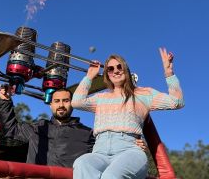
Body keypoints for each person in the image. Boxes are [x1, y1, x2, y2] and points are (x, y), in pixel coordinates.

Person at [71, 48, 185, 179]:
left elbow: (177, 102)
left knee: (111, 176)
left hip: (129, 150)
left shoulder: (143, 94)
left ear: (126, 69)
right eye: (110, 69)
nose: (116, 70)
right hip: (100, 151)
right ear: (107, 74)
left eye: (119, 66)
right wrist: (89, 76)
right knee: (81, 164)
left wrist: (169, 73)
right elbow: (77, 102)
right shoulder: (100, 98)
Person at [0, 86, 148, 168]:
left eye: (66, 100)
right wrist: (4, 101)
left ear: (73, 104)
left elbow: (109, 152)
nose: (61, 105)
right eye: (57, 101)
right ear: (51, 105)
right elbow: (11, 129)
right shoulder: (38, 127)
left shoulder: (88, 134)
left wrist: (131, 145)